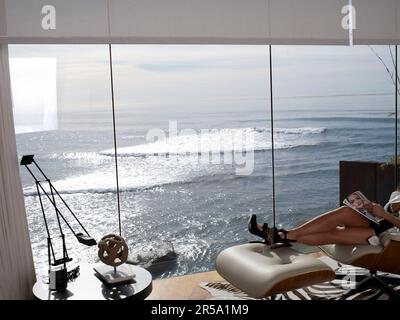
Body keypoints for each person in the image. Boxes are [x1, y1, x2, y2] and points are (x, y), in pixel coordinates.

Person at [248, 190, 400, 246]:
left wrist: (385, 214)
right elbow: (389, 210)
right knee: (344, 212)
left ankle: (282, 235)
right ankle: (281, 236)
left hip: (384, 234)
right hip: (374, 221)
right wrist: (371, 209)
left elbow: (390, 219)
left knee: (332, 234)